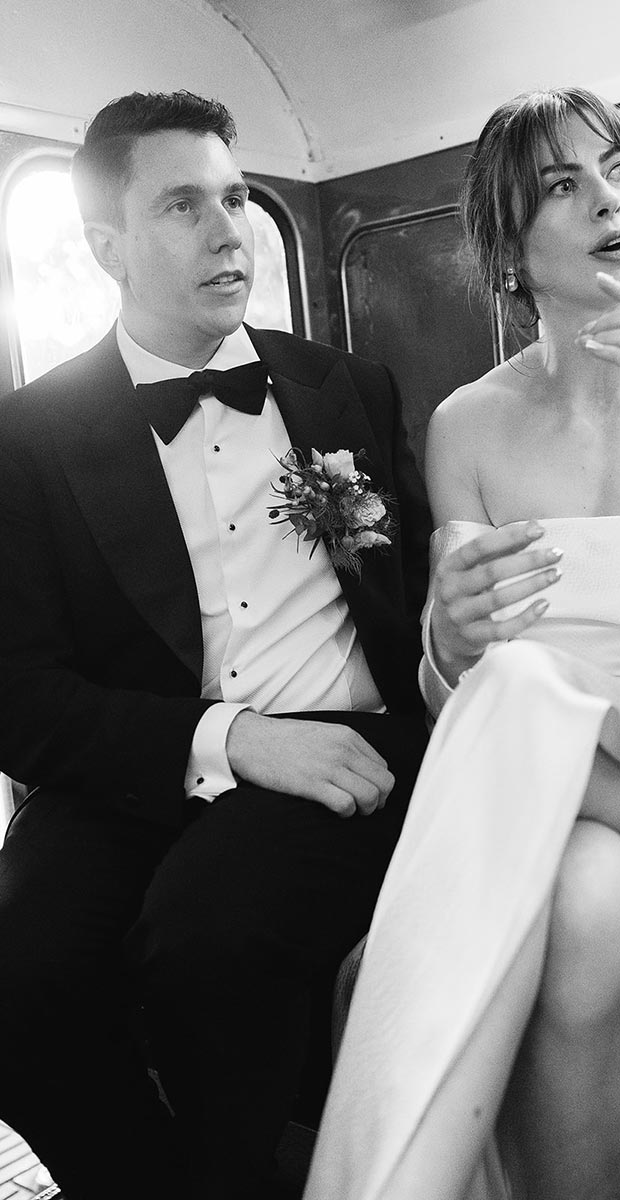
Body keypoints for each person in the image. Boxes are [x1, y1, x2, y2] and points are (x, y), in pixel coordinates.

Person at [302, 87, 620, 1200]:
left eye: (619, 169)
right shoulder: (467, 424)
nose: (608, 200)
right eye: (560, 186)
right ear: (504, 246)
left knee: (525, 682)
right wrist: (448, 639)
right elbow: (459, 691)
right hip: (562, 814)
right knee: (582, 897)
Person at [0, 90, 431, 1200]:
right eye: (183, 206)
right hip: (132, 765)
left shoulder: (350, 389)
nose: (229, 228)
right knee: (15, 976)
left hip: (338, 748)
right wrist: (228, 740)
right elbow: (17, 695)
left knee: (208, 948)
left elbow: (417, 599)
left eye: (236, 197)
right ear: (107, 246)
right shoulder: (29, 440)